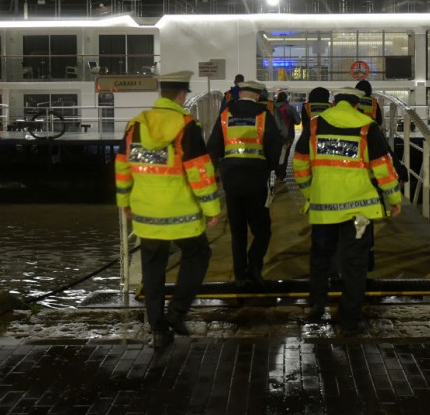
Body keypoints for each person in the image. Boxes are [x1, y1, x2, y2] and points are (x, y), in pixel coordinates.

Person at [115, 70, 221, 349]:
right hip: (182, 215)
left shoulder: (135, 125)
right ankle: (177, 312)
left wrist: (124, 202)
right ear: (182, 95)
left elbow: (122, 167)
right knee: (198, 254)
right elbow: (200, 172)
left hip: (147, 215)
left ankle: (158, 331)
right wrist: (212, 209)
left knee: (153, 271)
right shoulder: (186, 126)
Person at [293, 87, 402, 335]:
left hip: (323, 209)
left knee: (320, 257)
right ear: (357, 104)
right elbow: (383, 168)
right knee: (355, 261)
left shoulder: (314, 125)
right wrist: (393, 198)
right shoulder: (367, 126)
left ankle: (317, 308)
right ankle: (349, 318)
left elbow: (299, 163)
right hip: (360, 213)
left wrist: (310, 192)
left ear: (334, 102)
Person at [207, 79, 283, 287]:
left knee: (237, 231)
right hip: (256, 180)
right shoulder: (263, 116)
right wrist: (280, 172)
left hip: (231, 181)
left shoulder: (224, 116)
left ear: (239, 95)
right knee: (262, 229)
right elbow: (275, 147)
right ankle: (255, 268)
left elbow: (213, 147)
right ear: (258, 96)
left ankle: (240, 275)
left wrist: (212, 175)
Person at [274, 91, 301, 179]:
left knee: (276, 154)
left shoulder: (272, 108)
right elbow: (298, 121)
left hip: (275, 136)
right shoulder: (290, 108)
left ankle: (277, 172)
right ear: (286, 99)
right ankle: (282, 174)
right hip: (288, 137)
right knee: (285, 155)